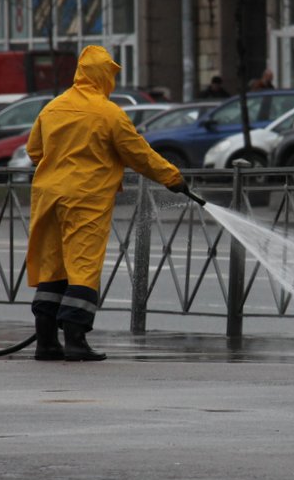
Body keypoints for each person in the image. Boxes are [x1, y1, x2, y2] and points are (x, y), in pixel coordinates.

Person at [26, 45, 188, 362]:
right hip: (86, 198)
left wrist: (61, 163)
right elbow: (139, 155)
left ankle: (46, 342)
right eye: (110, 74)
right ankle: (75, 340)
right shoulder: (109, 114)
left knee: (53, 268)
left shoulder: (53, 108)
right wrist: (172, 178)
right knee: (83, 268)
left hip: (48, 197)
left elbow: (35, 151)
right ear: (102, 76)